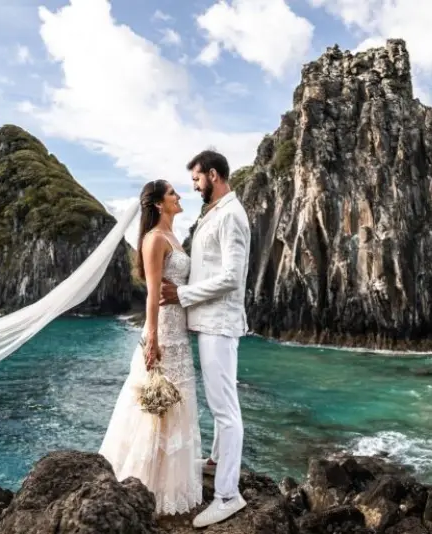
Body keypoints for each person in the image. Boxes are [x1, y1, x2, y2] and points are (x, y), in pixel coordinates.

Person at [98, 179, 203, 517]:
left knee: (177, 403)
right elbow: (152, 292)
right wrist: (153, 339)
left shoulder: (174, 237)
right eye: (173, 193)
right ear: (159, 203)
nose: (178, 196)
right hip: (164, 333)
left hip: (180, 332)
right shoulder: (154, 239)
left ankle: (171, 487)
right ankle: (143, 486)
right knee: (155, 408)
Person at [161, 150, 251, 528]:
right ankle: (215, 462)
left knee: (225, 411)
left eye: (197, 179)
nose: (194, 185)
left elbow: (231, 276)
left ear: (213, 175)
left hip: (219, 323)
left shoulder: (231, 214)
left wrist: (182, 296)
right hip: (209, 321)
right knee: (221, 401)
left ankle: (228, 495)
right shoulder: (215, 212)